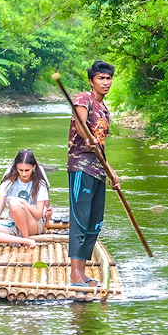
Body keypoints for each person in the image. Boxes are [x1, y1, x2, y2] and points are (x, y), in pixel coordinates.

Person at [67, 60, 120, 287]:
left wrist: (111, 172)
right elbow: (81, 124)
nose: (105, 82)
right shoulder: (83, 99)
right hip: (81, 167)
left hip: (98, 170)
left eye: (108, 78)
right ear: (91, 81)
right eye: (101, 78)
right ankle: (74, 275)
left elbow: (101, 145)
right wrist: (86, 137)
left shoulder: (105, 110)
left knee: (94, 222)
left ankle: (82, 272)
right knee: (80, 220)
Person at [0, 149, 50, 249]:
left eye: (27, 170)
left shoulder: (39, 184)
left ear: (34, 167)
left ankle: (26, 238)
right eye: (21, 170)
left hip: (33, 223)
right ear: (16, 168)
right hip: (13, 222)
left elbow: (38, 215)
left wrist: (23, 202)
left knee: (14, 203)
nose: (24, 174)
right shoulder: (8, 182)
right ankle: (24, 240)